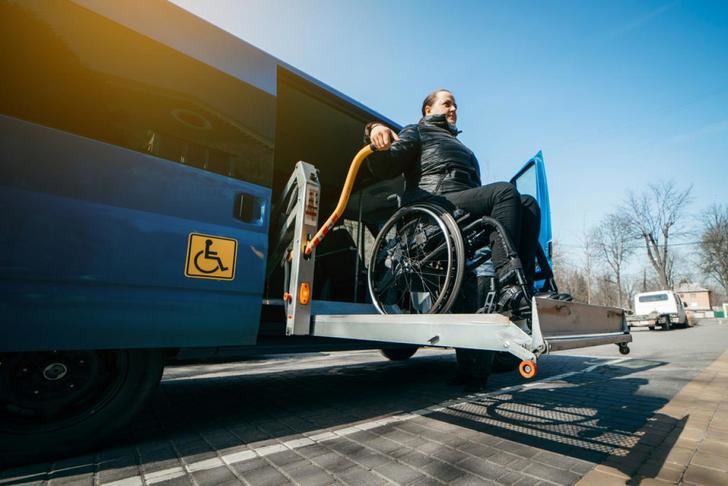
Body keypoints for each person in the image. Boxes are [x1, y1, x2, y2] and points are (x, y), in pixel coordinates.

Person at [365, 89, 545, 391]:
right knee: (503, 191)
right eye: (447, 103)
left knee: (527, 205)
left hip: (460, 214)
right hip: (431, 211)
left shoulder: (464, 149)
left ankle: (516, 288)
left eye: (456, 105)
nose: (454, 109)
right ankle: (509, 285)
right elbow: (386, 165)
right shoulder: (417, 131)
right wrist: (374, 132)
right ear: (427, 109)